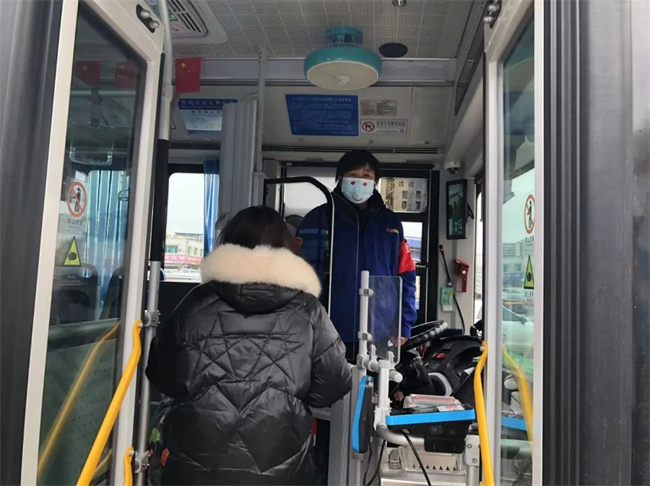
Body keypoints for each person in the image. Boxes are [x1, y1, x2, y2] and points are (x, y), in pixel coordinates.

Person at [146, 206, 352, 485]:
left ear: (228, 244)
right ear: (287, 248)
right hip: (282, 468)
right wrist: (291, 398)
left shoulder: (194, 305)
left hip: (196, 468)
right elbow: (335, 382)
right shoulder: (308, 311)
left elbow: (161, 374)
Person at [297, 149, 418, 359]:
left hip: (379, 331)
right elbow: (301, 277)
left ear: (375, 182)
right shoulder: (318, 218)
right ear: (341, 178)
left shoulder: (391, 223)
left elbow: (406, 276)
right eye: (353, 175)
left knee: (376, 381)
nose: (360, 181)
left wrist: (403, 324)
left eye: (366, 176)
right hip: (328, 328)